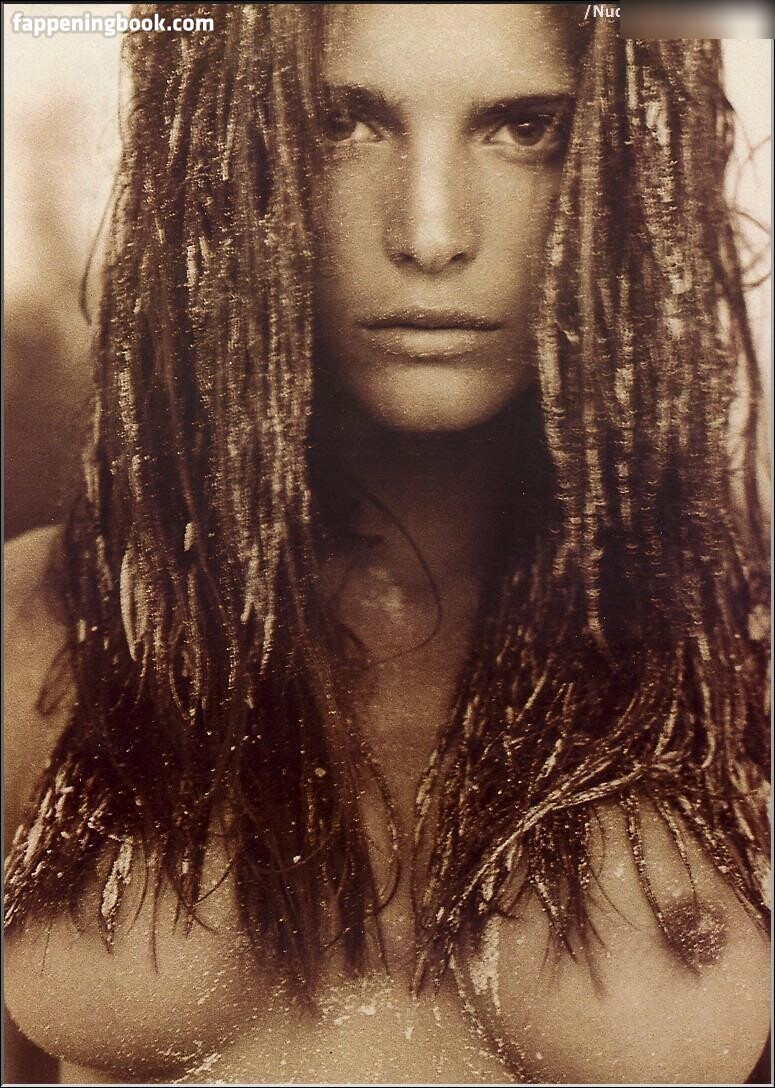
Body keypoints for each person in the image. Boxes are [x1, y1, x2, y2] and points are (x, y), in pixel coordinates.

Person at [4, 3, 770, 1084]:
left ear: (630, 162)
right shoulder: (46, 628)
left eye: (525, 128)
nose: (430, 232)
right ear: (219, 152)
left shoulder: (739, 665)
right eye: (342, 123)